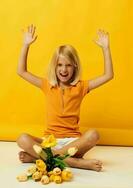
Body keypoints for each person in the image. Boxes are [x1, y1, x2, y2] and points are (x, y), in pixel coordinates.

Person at [17, 24, 114, 172]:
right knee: (22, 139)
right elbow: (21, 71)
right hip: (49, 141)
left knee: (93, 135)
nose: (64, 69)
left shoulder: (81, 86)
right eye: (60, 65)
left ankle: (40, 158)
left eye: (68, 65)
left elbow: (108, 75)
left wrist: (106, 48)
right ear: (54, 67)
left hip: (73, 143)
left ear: (75, 66)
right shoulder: (47, 85)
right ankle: (75, 163)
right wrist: (25, 45)